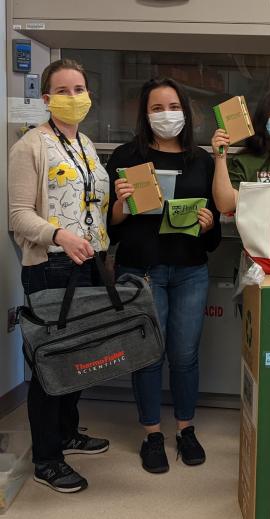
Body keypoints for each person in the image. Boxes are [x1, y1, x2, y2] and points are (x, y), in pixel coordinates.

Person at [108, 78, 221, 474]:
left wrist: (208, 224)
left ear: (185, 112)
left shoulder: (202, 160)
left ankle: (185, 429)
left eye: (173, 106)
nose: (166, 115)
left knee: (185, 355)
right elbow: (113, 227)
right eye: (157, 108)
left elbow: (214, 226)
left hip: (190, 269)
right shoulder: (127, 156)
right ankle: (152, 434)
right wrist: (121, 203)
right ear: (144, 113)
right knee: (148, 355)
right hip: (141, 271)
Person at [8, 59, 110, 493]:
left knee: (78, 360)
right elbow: (17, 217)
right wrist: (59, 235)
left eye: (80, 88)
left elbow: (93, 208)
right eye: (64, 91)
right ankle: (47, 459)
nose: (74, 97)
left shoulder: (86, 144)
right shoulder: (30, 146)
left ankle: (68, 432)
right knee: (51, 365)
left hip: (90, 266)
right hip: (50, 268)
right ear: (46, 99)